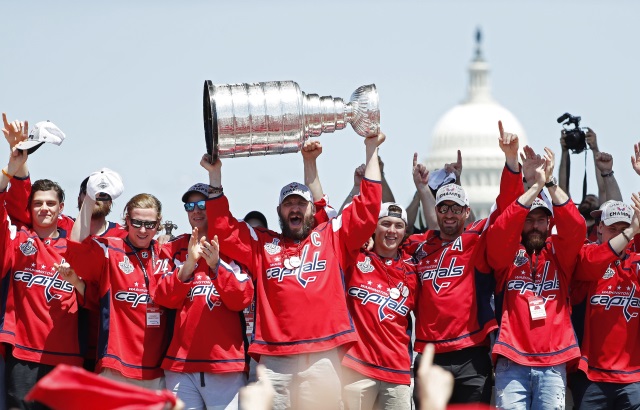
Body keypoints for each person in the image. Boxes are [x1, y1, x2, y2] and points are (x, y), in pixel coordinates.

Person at [202, 132, 386, 409]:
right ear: (279, 210)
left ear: (312, 209)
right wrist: (215, 177)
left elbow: (367, 210)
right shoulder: (263, 244)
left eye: (301, 203)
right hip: (274, 359)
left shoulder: (331, 237)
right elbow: (224, 230)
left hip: (323, 356)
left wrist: (371, 150)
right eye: (289, 204)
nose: (295, 208)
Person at [409, 121, 524, 404]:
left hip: (472, 352)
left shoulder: (476, 239)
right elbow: (386, 232)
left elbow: (507, 208)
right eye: (444, 208)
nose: (449, 214)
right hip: (430, 354)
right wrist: (421, 189)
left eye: (456, 209)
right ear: (435, 211)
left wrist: (511, 161)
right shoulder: (418, 246)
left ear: (467, 212)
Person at [485, 146, 586, 409]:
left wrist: (549, 183)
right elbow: (500, 230)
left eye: (541, 220)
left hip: (553, 362)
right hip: (511, 360)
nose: (535, 226)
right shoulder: (507, 254)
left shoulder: (559, 253)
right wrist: (532, 188)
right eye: (528, 220)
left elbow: (576, 227)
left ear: (550, 223)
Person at [0, 139, 86, 409]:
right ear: (29, 208)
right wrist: (14, 168)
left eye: (51, 203)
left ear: (62, 208)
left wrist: (76, 281)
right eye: (37, 203)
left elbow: (96, 297)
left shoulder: (77, 246)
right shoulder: (17, 238)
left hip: (66, 355)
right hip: (22, 353)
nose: (44, 209)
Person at [152, 182, 254, 409]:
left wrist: (217, 265)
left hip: (225, 365)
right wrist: (189, 264)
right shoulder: (174, 247)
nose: (196, 210)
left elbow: (242, 299)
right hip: (181, 366)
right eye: (190, 206)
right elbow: (161, 296)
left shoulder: (233, 247)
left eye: (202, 204)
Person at [65, 188, 171, 389]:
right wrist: (88, 198)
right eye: (136, 222)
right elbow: (76, 246)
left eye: (149, 224)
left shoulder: (167, 253)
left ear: (159, 223)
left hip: (158, 368)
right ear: (126, 220)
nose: (142, 230)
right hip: (116, 365)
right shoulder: (109, 249)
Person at [341, 202, 418, 409]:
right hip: (356, 369)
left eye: (398, 225)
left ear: (405, 231)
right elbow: (338, 226)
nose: (392, 231)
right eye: (385, 224)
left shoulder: (413, 268)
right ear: (374, 227)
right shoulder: (355, 257)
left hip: (397, 371)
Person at [569, 198, 640, 409]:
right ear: (599, 228)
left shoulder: (636, 263)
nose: (620, 234)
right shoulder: (586, 257)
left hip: (633, 378)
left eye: (625, 228)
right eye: (613, 228)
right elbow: (592, 262)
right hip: (591, 377)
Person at [558, 127, 622, 242]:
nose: (588, 200)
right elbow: (563, 191)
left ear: (599, 206)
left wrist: (595, 149)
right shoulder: (574, 220)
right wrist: (564, 152)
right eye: (587, 199)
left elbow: (603, 189)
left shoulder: (602, 223)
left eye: (592, 199)